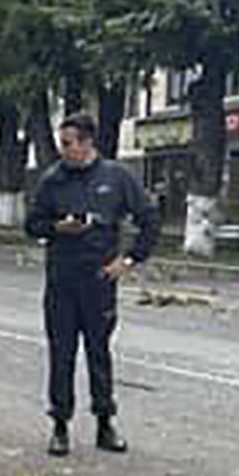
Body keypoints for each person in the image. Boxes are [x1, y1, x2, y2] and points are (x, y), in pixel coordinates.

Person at [25, 112, 158, 456]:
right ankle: (59, 425)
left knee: (99, 352)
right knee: (62, 353)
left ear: (86, 142)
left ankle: (105, 423)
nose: (63, 149)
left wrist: (128, 260)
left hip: (99, 281)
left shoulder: (116, 177)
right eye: (61, 143)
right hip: (61, 281)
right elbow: (32, 223)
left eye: (68, 143)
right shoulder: (53, 179)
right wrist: (57, 227)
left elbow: (149, 219)